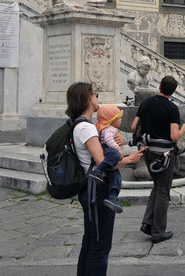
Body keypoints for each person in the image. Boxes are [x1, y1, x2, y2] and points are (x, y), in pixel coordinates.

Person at [67, 82, 143, 276]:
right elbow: (103, 162)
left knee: (92, 239)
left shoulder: (81, 126)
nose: (97, 98)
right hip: (98, 190)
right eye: (95, 95)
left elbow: (103, 150)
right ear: (87, 99)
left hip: (89, 189)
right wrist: (129, 159)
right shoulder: (87, 128)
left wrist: (118, 140)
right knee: (100, 246)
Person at [130, 76, 185, 244]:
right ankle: (157, 232)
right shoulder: (172, 108)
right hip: (164, 155)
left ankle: (147, 223)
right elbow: (173, 136)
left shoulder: (146, 103)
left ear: (159, 86)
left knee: (157, 186)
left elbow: (134, 127)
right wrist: (184, 128)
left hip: (148, 152)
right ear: (173, 91)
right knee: (164, 191)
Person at [93, 104, 125, 213]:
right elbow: (108, 140)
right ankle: (98, 171)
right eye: (119, 118)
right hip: (108, 150)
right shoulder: (110, 129)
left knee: (116, 177)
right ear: (111, 119)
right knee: (115, 155)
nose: (121, 120)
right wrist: (118, 149)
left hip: (109, 150)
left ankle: (112, 197)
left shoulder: (110, 129)